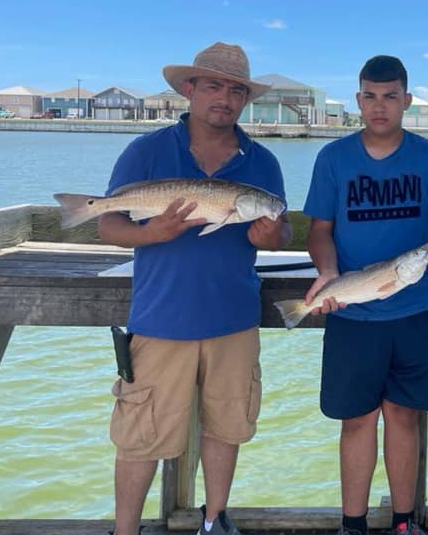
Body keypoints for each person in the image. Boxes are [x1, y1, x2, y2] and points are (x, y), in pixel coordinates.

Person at [99, 42, 292, 535]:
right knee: (140, 433)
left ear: (245, 99)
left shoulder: (263, 163)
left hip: (234, 319)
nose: (223, 98)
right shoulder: (145, 151)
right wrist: (150, 234)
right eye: (212, 86)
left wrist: (272, 237)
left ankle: (213, 519)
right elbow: (108, 224)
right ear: (189, 89)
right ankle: (125, 530)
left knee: (227, 427)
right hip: (160, 319)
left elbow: (282, 228)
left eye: (234, 90)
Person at [302, 55, 428, 535]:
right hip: (353, 311)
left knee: (403, 417)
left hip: (419, 309)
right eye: (370, 97)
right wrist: (328, 275)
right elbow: (319, 230)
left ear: (406, 102)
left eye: (390, 96)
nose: (380, 107)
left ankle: (402, 522)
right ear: (357, 100)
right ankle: (352, 524)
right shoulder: (332, 159)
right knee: (355, 420)